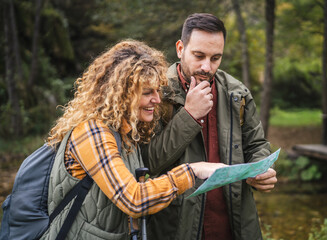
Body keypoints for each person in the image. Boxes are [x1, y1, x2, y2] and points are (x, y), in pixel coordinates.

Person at [40, 39, 227, 239]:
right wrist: (192, 171)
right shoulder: (92, 132)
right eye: (147, 93)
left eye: (157, 90)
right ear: (122, 94)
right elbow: (134, 200)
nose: (157, 99)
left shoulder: (125, 130)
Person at [141, 13, 277, 240]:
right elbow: (147, 163)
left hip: (235, 226)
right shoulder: (155, 93)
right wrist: (190, 116)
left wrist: (259, 169)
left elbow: (256, 144)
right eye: (199, 55)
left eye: (215, 58)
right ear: (180, 48)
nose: (207, 66)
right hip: (176, 228)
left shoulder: (237, 92)